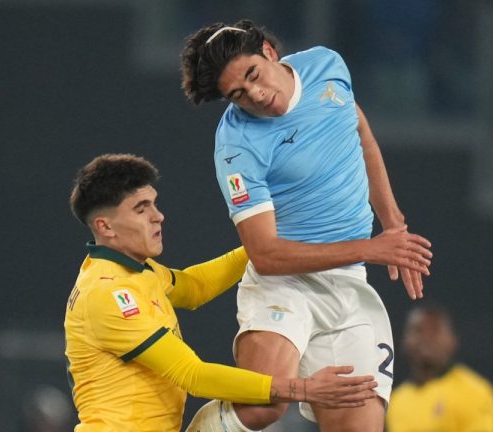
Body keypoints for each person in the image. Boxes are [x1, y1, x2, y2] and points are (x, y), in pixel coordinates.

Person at [179, 19, 434, 432]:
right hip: (284, 284)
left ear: (268, 51)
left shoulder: (326, 65)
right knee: (262, 407)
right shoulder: (236, 145)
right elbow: (265, 254)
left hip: (348, 285)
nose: (255, 95)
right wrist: (371, 248)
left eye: (253, 75)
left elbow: (357, 127)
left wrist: (393, 222)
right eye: (238, 94)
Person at [63, 153, 379, 432]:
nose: (158, 216)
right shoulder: (109, 293)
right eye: (141, 209)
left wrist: (262, 246)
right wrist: (303, 390)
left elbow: (194, 287)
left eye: (154, 204)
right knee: (262, 405)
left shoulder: (135, 271)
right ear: (105, 227)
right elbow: (193, 375)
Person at [386, 304, 493, 432]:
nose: (426, 338)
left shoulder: (474, 393)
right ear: (405, 342)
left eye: (435, 330)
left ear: (452, 340)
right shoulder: (396, 401)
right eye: (418, 330)